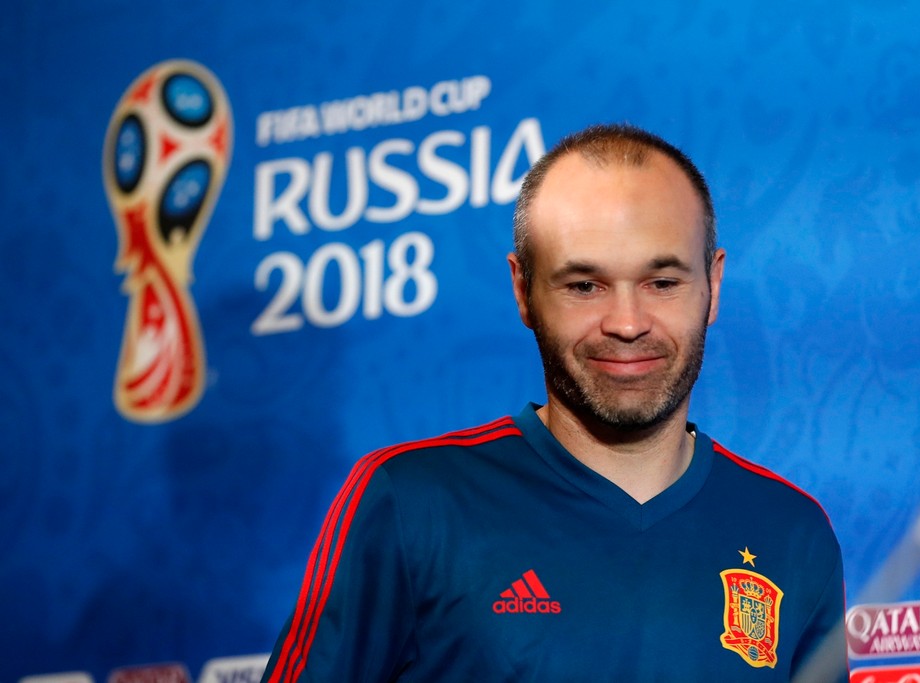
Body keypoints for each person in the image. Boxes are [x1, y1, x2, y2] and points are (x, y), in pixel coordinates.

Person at [260, 123, 847, 682]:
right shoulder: (413, 502)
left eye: (663, 283)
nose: (627, 323)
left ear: (713, 285)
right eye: (584, 286)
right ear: (523, 290)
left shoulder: (792, 532)